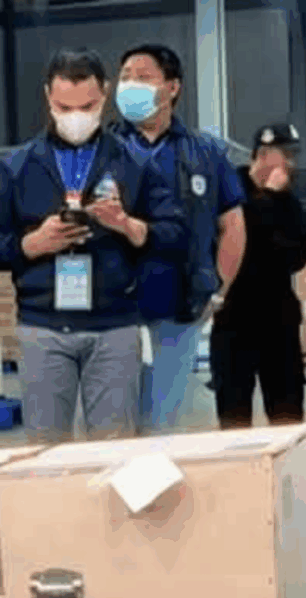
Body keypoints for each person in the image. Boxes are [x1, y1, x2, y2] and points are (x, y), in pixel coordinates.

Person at [0, 48, 186, 444]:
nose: (75, 116)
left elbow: (175, 234)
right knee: (45, 451)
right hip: (43, 325)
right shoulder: (17, 166)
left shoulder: (134, 163)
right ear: (47, 96)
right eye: (64, 107)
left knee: (115, 450)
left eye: (87, 106)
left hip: (115, 325)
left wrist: (128, 225)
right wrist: (31, 244)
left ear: (105, 94)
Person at [111, 43, 246, 435]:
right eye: (125, 77)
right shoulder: (104, 149)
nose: (130, 85)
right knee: (112, 427)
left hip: (180, 308)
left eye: (143, 77)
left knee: (161, 423)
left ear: (172, 87)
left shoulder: (206, 153)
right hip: (113, 311)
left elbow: (233, 226)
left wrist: (218, 292)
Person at [211, 123, 306, 428]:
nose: (291, 162)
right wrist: (267, 199)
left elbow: (297, 256)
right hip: (234, 318)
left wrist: (274, 201)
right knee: (234, 418)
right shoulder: (228, 190)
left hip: (279, 320)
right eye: (286, 154)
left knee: (287, 415)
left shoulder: (289, 201)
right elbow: (238, 239)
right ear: (263, 154)